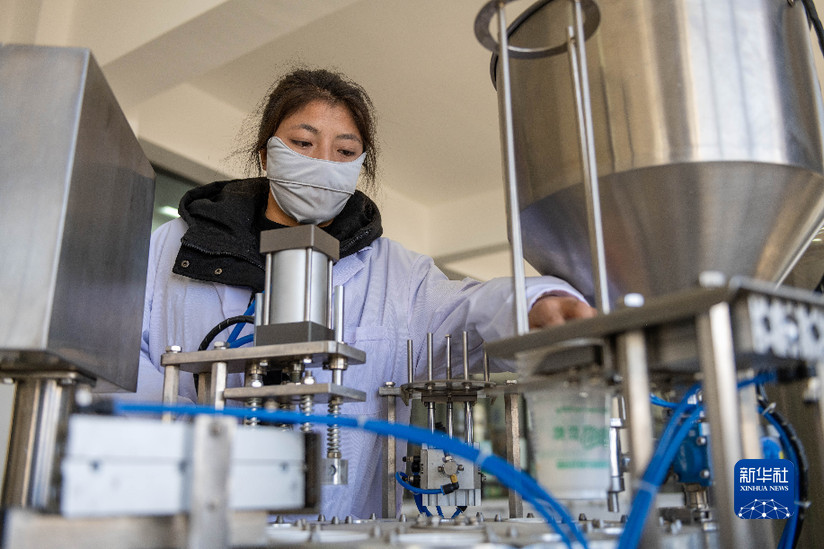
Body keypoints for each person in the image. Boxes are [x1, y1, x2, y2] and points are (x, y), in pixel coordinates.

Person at [133, 67, 596, 519]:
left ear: (359, 166)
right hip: (184, 518)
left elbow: (470, 311)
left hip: (339, 528)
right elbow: (122, 355)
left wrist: (535, 303)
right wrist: (186, 428)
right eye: (303, 143)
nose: (322, 163)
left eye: (344, 151)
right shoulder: (175, 245)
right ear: (266, 155)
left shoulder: (396, 274)